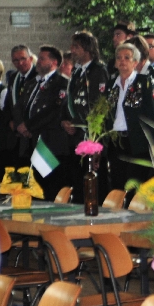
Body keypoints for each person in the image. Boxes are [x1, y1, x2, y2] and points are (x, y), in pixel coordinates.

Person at [106, 43, 154, 191]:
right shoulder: (111, 84)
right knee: (117, 185)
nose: (122, 61)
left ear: (135, 63)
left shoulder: (144, 82)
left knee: (135, 185)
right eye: (119, 57)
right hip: (116, 141)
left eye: (127, 57)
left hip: (138, 141)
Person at [15, 45, 70, 199]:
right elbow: (18, 106)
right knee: (32, 187)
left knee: (49, 188)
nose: (37, 61)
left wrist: (29, 125)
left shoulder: (60, 83)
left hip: (48, 143)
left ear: (54, 62)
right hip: (29, 142)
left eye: (42, 59)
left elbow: (53, 110)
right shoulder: (32, 83)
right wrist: (20, 124)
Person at [61, 31, 110, 202]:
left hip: (90, 136)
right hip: (74, 137)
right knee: (78, 183)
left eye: (76, 47)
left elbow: (98, 105)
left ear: (87, 49)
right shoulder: (77, 71)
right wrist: (65, 121)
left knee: (94, 185)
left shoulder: (98, 71)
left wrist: (92, 134)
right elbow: (69, 101)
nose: (72, 50)